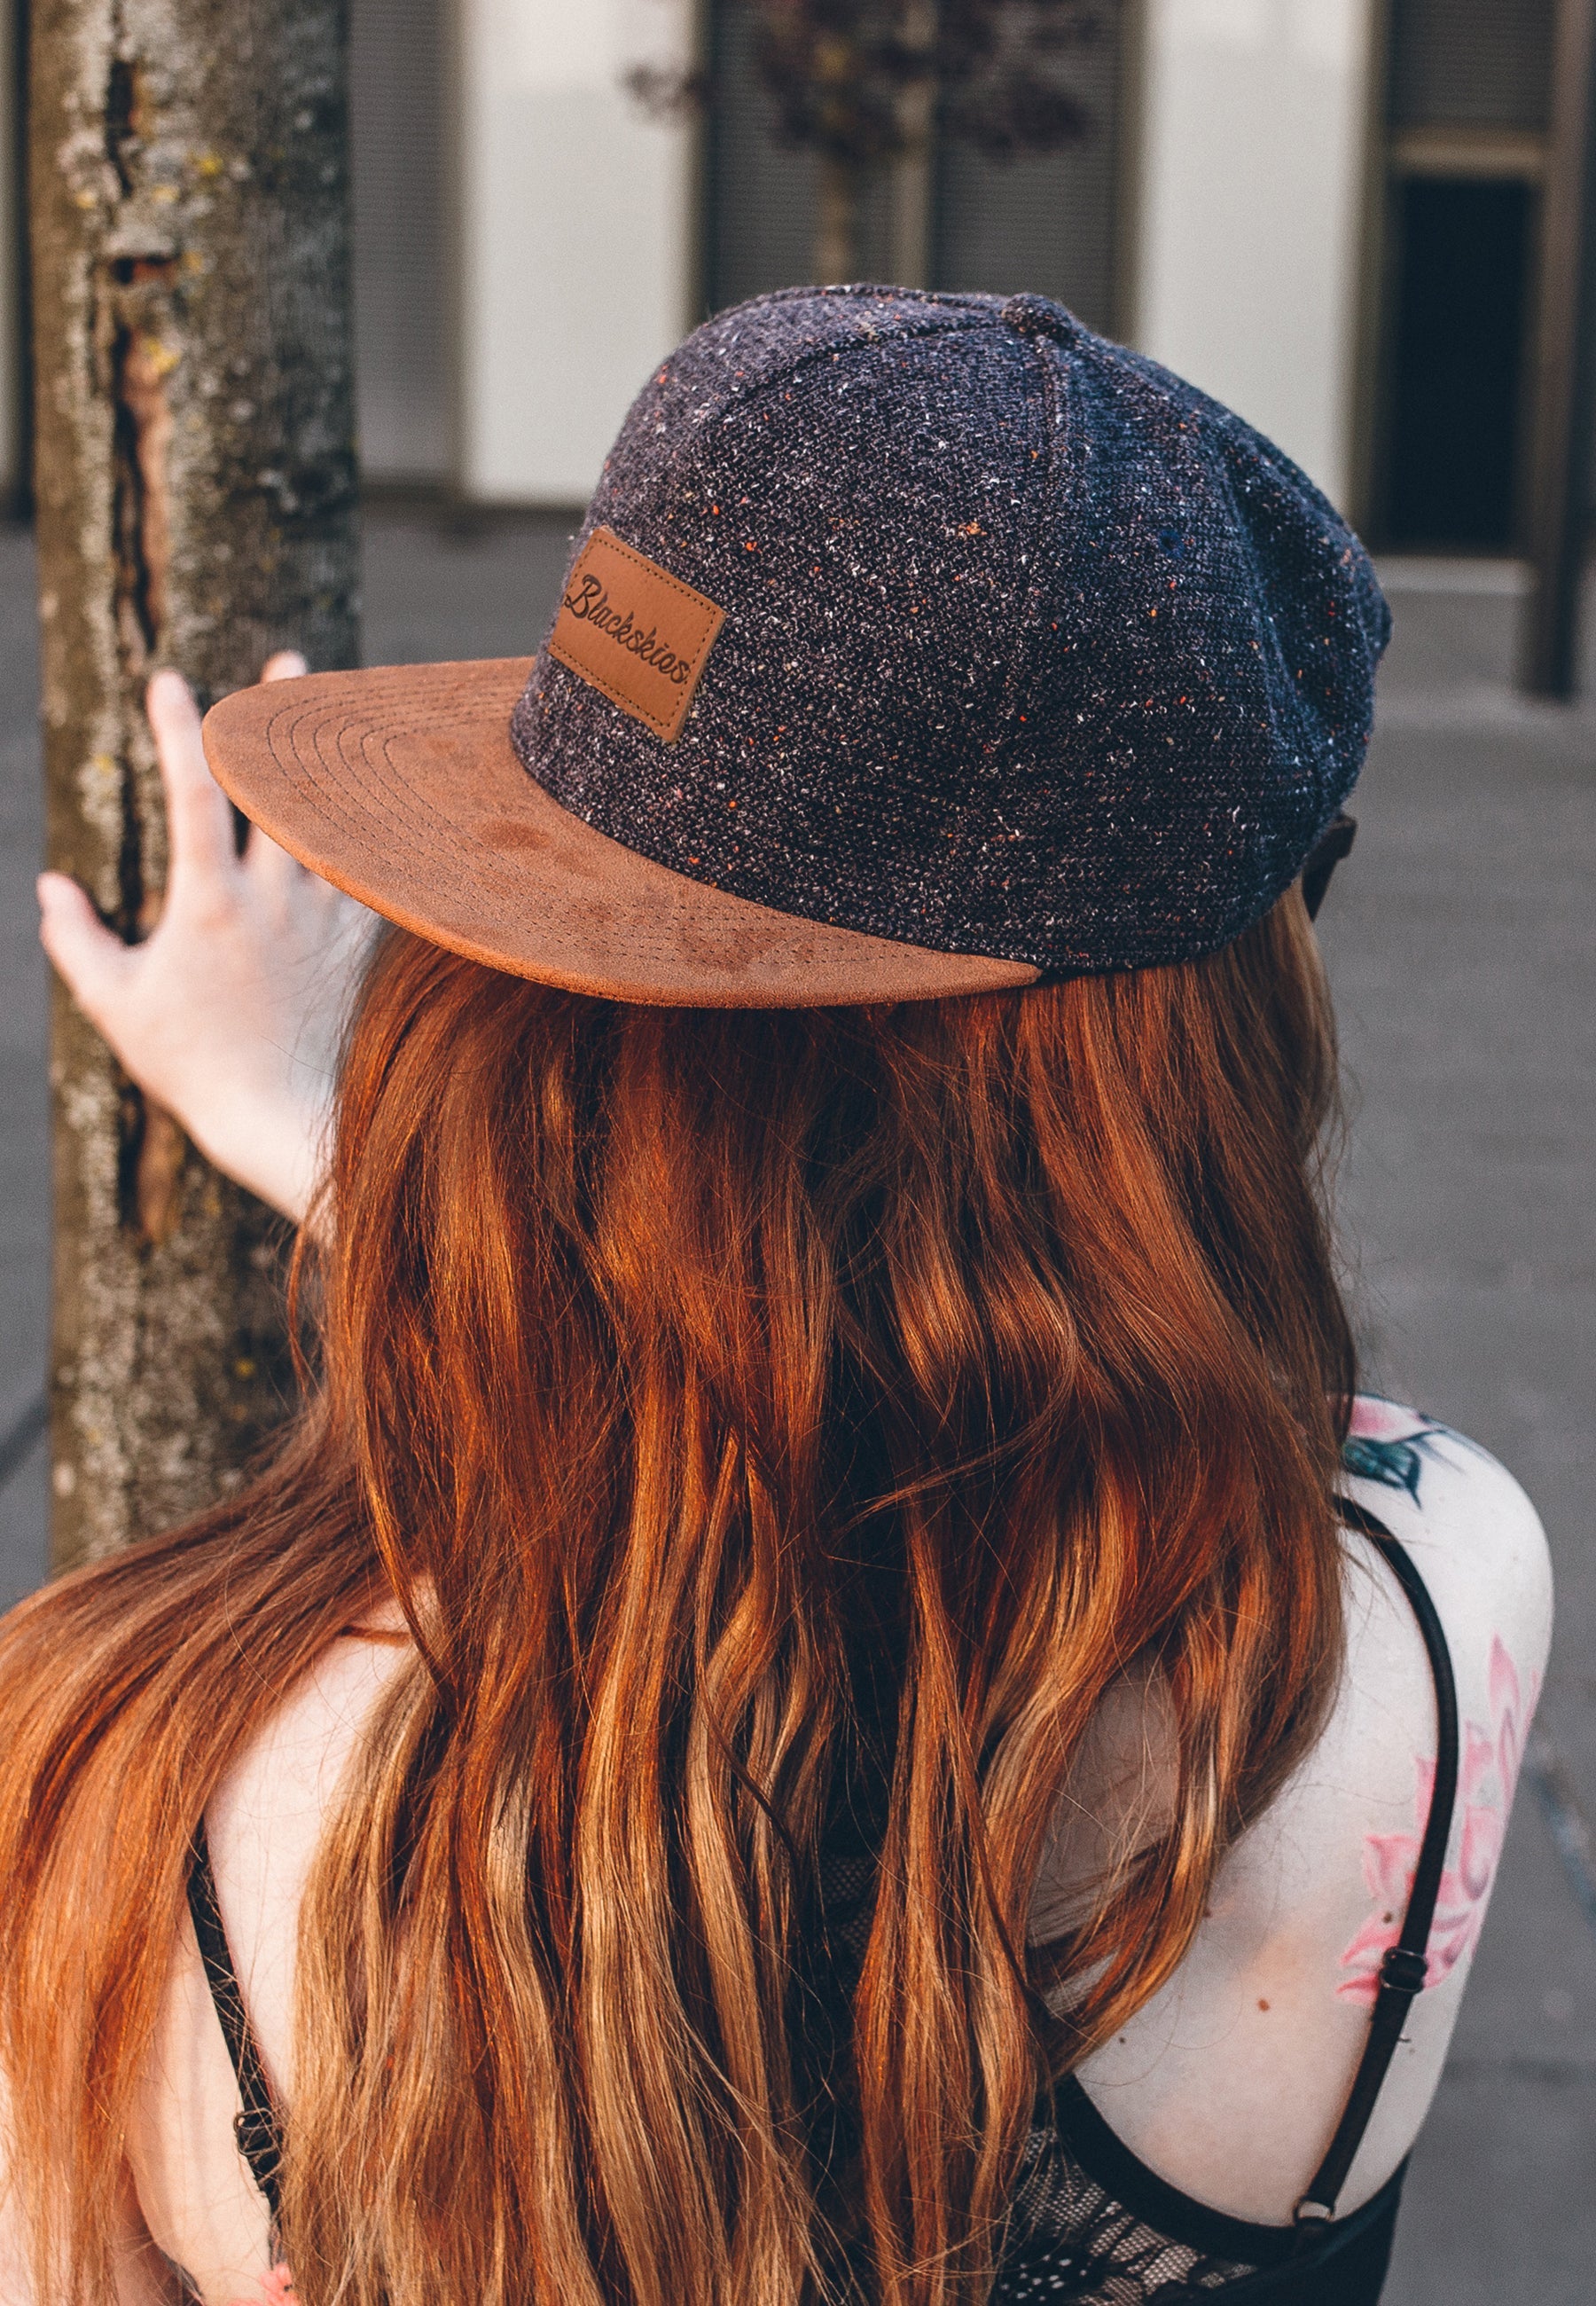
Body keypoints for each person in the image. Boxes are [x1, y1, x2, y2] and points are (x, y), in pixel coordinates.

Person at [2, 287, 1551, 2306]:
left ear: (491, 1010)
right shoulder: (1425, 1606)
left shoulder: (122, 1781)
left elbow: (703, 1444)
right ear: (1208, 1044)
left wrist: (338, 1150)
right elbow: (893, 1452)